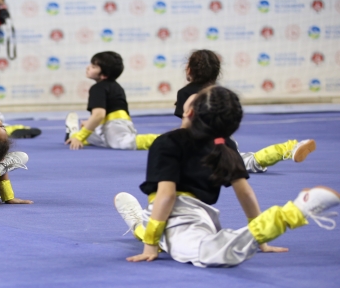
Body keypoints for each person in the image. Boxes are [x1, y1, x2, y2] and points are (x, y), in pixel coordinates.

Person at [114, 87, 340, 268]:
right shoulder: (226, 145)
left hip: (180, 218)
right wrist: (262, 242)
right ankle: (137, 222)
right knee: (177, 240)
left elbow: (166, 197)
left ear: (188, 112)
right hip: (194, 216)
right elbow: (245, 193)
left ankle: (291, 214)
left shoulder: (166, 142)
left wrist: (150, 245)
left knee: (211, 253)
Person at [175, 49, 316, 172]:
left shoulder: (185, 93)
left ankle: (289, 148)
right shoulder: (220, 92)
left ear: (189, 70)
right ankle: (290, 147)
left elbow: (186, 127)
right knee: (245, 162)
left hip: (204, 147)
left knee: (243, 163)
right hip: (225, 141)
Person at [65, 51, 158, 150]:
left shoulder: (98, 88)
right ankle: (74, 133)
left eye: (93, 67)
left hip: (114, 125)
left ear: (104, 75)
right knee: (105, 141)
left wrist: (79, 137)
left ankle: (161, 139)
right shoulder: (116, 86)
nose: (88, 67)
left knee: (124, 144)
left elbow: (99, 115)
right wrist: (90, 124)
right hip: (116, 124)